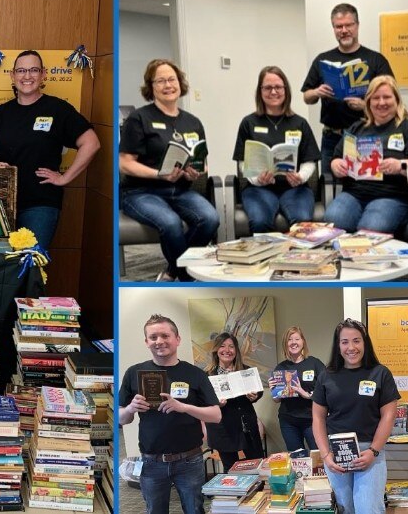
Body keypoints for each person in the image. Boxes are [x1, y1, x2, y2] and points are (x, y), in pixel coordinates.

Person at [0, 50, 100, 246]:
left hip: (40, 204)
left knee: (31, 263)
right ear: (12, 75)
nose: (27, 76)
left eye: (33, 70)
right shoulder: (1, 112)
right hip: (0, 201)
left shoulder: (58, 109)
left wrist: (65, 177)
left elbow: (92, 143)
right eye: (21, 71)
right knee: (1, 265)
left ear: (43, 74)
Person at [119, 59, 219, 281]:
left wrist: (196, 171)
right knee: (170, 222)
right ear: (151, 86)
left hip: (180, 190)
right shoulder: (139, 118)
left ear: (180, 83)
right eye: (161, 80)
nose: (168, 85)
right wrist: (158, 174)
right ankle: (187, 278)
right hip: (141, 192)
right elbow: (125, 163)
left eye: (172, 79)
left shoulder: (192, 122)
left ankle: (173, 271)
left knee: (210, 218)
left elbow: (202, 160)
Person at [119, 315, 222, 514]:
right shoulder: (134, 373)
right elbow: (122, 419)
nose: (159, 341)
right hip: (151, 462)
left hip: (190, 461)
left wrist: (184, 408)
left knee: (195, 510)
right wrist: (131, 408)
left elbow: (216, 415)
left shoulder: (195, 373)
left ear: (177, 339)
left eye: (165, 335)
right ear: (146, 341)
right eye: (153, 337)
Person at [326, 75, 408, 234]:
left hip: (393, 196)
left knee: (371, 228)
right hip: (354, 193)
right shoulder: (357, 128)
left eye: (387, 97)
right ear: (368, 102)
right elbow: (336, 157)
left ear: (397, 99)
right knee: (334, 220)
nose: (381, 102)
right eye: (375, 98)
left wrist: (400, 165)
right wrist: (336, 165)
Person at [313, 319, 400, 514]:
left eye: (356, 341)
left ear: (365, 343)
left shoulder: (381, 373)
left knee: (368, 508)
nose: (351, 347)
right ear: (338, 345)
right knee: (345, 508)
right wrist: (326, 455)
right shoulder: (326, 376)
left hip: (369, 451)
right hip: (336, 452)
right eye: (345, 342)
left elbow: (388, 415)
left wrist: (373, 451)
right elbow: (318, 418)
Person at [301, 3, 394, 177]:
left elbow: (392, 101)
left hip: (366, 136)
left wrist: (365, 106)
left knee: (366, 185)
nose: (344, 30)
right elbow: (307, 97)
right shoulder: (322, 60)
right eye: (338, 26)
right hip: (331, 137)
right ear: (333, 28)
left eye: (348, 25)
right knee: (330, 187)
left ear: (357, 25)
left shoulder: (376, 60)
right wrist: (316, 92)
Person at [232, 66, 319, 234]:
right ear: (260, 91)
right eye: (267, 87)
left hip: (295, 188)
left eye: (278, 87)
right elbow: (243, 163)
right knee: (259, 222)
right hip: (259, 189)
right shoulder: (248, 123)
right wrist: (257, 180)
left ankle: (295, 260)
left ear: (286, 90)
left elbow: (310, 161)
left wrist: (300, 177)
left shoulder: (299, 123)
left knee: (300, 223)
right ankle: (265, 260)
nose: (273, 92)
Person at [202, 333, 266, 470]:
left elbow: (259, 390)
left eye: (231, 346)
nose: (227, 350)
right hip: (223, 430)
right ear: (216, 350)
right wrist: (216, 403)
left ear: (236, 350)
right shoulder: (208, 375)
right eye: (222, 346)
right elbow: (202, 401)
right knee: (231, 470)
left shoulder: (246, 371)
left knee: (256, 466)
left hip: (246, 426)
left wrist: (255, 395)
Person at [270, 326, 325, 454]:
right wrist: (274, 391)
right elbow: (276, 400)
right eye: (290, 339)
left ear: (303, 342)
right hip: (288, 421)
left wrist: (305, 393)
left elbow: (326, 391)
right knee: (296, 458)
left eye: (297, 339)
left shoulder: (315, 363)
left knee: (318, 455)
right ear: (286, 344)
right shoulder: (281, 367)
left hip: (312, 419)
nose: (293, 342)